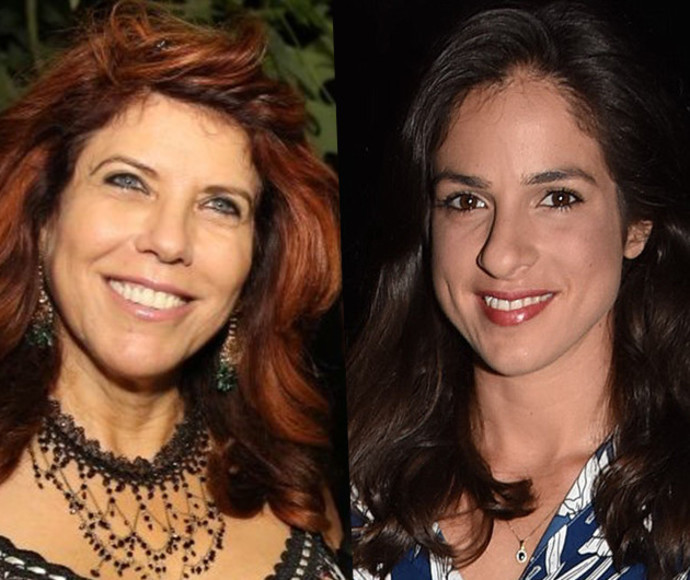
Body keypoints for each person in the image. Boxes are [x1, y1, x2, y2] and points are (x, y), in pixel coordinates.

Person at [0, 1, 344, 579]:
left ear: (256, 262)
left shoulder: (295, 491)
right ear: (44, 216)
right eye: (128, 181)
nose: (169, 240)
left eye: (220, 205)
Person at [348, 2, 690, 579]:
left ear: (637, 225)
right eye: (466, 201)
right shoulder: (355, 491)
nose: (501, 253)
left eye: (557, 198)